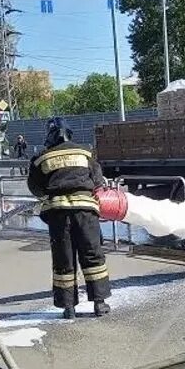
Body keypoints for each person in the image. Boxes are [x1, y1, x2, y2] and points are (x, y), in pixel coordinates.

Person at [27, 117, 111, 319]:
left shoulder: (41, 158)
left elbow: (35, 187)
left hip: (58, 214)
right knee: (92, 255)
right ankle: (99, 304)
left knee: (64, 259)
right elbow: (98, 181)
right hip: (85, 212)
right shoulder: (85, 152)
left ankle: (68, 308)